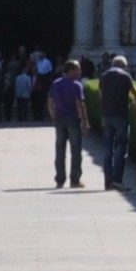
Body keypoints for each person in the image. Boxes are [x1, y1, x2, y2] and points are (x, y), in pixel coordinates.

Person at [95, 54, 136, 189]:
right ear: (124, 66)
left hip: (106, 116)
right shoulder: (126, 76)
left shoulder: (104, 76)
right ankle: (117, 180)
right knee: (121, 149)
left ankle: (107, 181)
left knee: (108, 151)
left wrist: (104, 111)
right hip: (121, 116)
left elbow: (101, 97)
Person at [47, 55, 88, 186]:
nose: (80, 72)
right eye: (78, 69)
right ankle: (75, 180)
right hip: (72, 119)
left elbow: (49, 101)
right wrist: (85, 122)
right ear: (71, 70)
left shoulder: (56, 83)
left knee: (60, 151)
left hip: (59, 118)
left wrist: (53, 115)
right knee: (75, 151)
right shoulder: (76, 85)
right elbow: (80, 104)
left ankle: (60, 179)